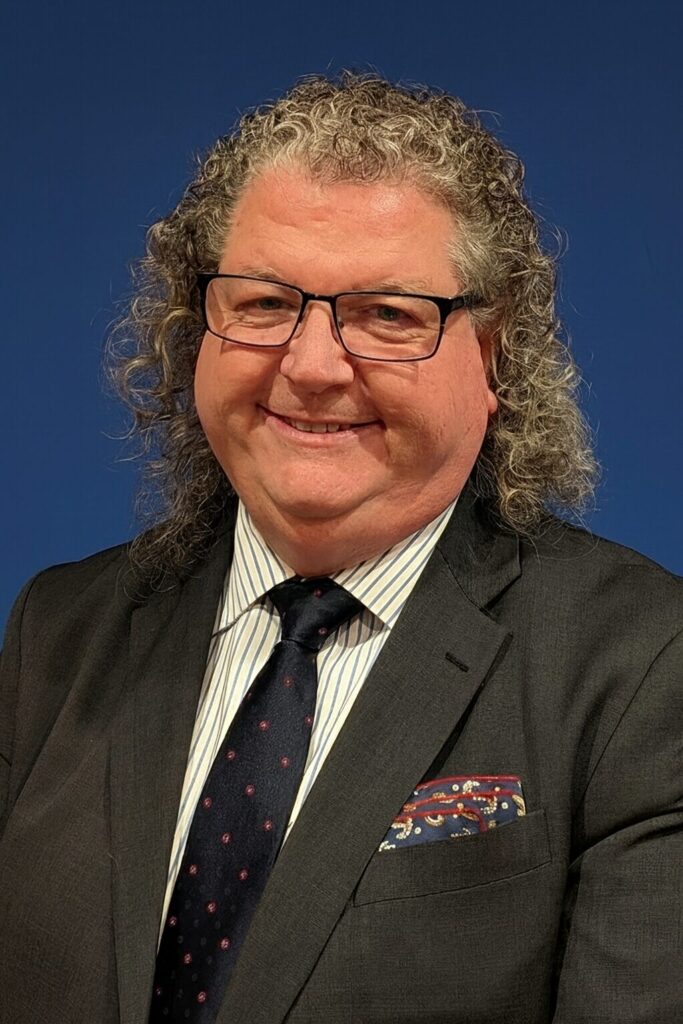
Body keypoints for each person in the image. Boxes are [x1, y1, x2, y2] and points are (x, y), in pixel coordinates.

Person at [0, 72, 680, 1024]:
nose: (312, 365)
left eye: (387, 315)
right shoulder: (57, 634)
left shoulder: (643, 666)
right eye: (263, 303)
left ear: (493, 355)